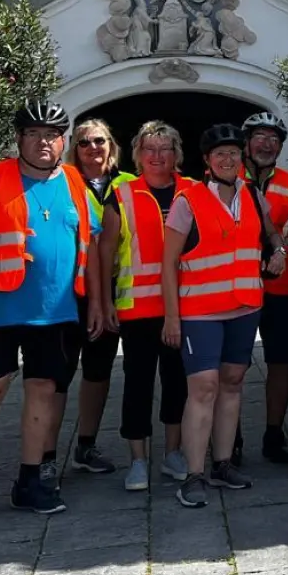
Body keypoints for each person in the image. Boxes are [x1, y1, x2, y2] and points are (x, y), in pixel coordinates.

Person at [0, 101, 97, 534]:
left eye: (51, 134)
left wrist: (99, 302)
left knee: (43, 393)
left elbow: (96, 239)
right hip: (3, 311)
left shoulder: (74, 182)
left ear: (63, 140)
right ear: (19, 138)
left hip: (58, 312)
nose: (43, 141)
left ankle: (30, 481)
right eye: (33, 133)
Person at [161, 124, 287, 508]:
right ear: (207, 161)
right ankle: (193, 474)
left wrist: (279, 251)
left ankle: (222, 463)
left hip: (245, 306)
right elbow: (167, 265)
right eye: (220, 154)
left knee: (232, 383)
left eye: (234, 153)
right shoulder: (188, 201)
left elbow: (272, 234)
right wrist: (171, 318)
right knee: (203, 388)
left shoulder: (252, 195)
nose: (229, 160)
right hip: (199, 311)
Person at [97, 121, 193, 492]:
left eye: (165, 149)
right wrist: (103, 302)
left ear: (176, 154)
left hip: (187, 305)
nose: (157, 156)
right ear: (137, 155)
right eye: (149, 149)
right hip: (138, 308)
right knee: (137, 384)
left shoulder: (193, 190)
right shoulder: (121, 195)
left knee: (178, 383)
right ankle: (137, 460)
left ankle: (172, 453)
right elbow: (105, 252)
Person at [59, 117, 127, 478]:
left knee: (99, 369)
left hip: (123, 287)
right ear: (75, 149)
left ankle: (85, 444)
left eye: (99, 141)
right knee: (60, 370)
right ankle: (45, 452)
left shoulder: (131, 183)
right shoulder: (63, 183)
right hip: (72, 291)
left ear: (111, 145)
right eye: (84, 143)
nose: (93, 148)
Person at [241, 110, 288, 465]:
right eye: (260, 137)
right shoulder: (219, 177)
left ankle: (274, 434)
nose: (267, 144)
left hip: (281, 286)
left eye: (274, 139)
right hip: (233, 287)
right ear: (246, 144)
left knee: (281, 362)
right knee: (231, 366)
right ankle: (228, 438)